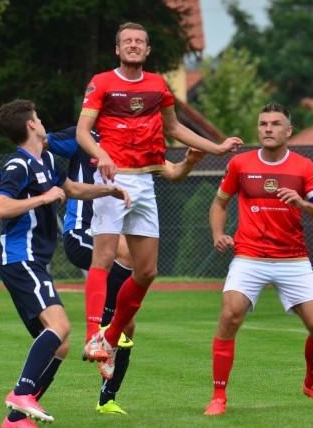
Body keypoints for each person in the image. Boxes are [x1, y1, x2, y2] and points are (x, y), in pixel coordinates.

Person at [75, 22, 243, 381]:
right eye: (127, 42)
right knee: (103, 257)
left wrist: (216, 147)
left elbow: (175, 128)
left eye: (139, 41)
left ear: (147, 51)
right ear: (117, 50)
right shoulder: (102, 82)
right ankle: (92, 336)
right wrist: (102, 155)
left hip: (146, 180)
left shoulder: (156, 85)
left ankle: (110, 336)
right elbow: (81, 132)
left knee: (147, 271)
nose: (133, 46)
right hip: (111, 178)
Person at [45, 126, 204, 415]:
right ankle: (101, 330)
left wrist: (190, 161)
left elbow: (173, 173)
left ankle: (107, 399)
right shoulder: (84, 136)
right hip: (82, 232)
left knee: (127, 326)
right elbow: (40, 142)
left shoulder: (137, 142)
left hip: (112, 239)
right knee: (128, 254)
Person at [0, 99, 131, 427]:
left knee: (61, 345)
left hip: (33, 262)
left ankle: (15, 419)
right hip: (20, 258)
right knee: (61, 327)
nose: (42, 123)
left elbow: (71, 189)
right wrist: (42, 198)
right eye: (38, 118)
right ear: (30, 126)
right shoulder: (19, 165)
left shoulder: (47, 161)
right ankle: (20, 394)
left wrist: (106, 190)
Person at [204, 102, 313, 416]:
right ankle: (218, 397)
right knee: (229, 315)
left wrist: (303, 204)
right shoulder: (240, 163)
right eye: (263, 124)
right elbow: (219, 204)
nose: (268, 129)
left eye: (276, 124)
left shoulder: (303, 167)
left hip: (293, 258)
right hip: (249, 256)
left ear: (288, 131)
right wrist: (218, 233)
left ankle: (312, 384)